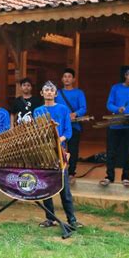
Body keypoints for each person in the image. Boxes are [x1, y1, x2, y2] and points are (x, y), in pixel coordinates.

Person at [34, 81, 82, 229]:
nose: (49, 92)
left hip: (60, 152)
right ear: (42, 93)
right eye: (46, 90)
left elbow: (68, 131)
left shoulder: (62, 109)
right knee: (46, 186)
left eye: (51, 90)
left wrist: (58, 139)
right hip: (44, 152)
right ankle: (50, 218)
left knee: (64, 188)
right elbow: (36, 131)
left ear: (55, 94)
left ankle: (71, 219)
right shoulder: (38, 111)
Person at [55, 68, 87, 184]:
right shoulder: (56, 93)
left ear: (73, 79)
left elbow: (83, 108)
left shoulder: (79, 93)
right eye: (65, 76)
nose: (67, 79)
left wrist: (75, 114)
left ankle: (71, 172)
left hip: (74, 126)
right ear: (62, 79)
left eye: (69, 76)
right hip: (59, 127)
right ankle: (59, 171)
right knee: (59, 148)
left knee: (73, 150)